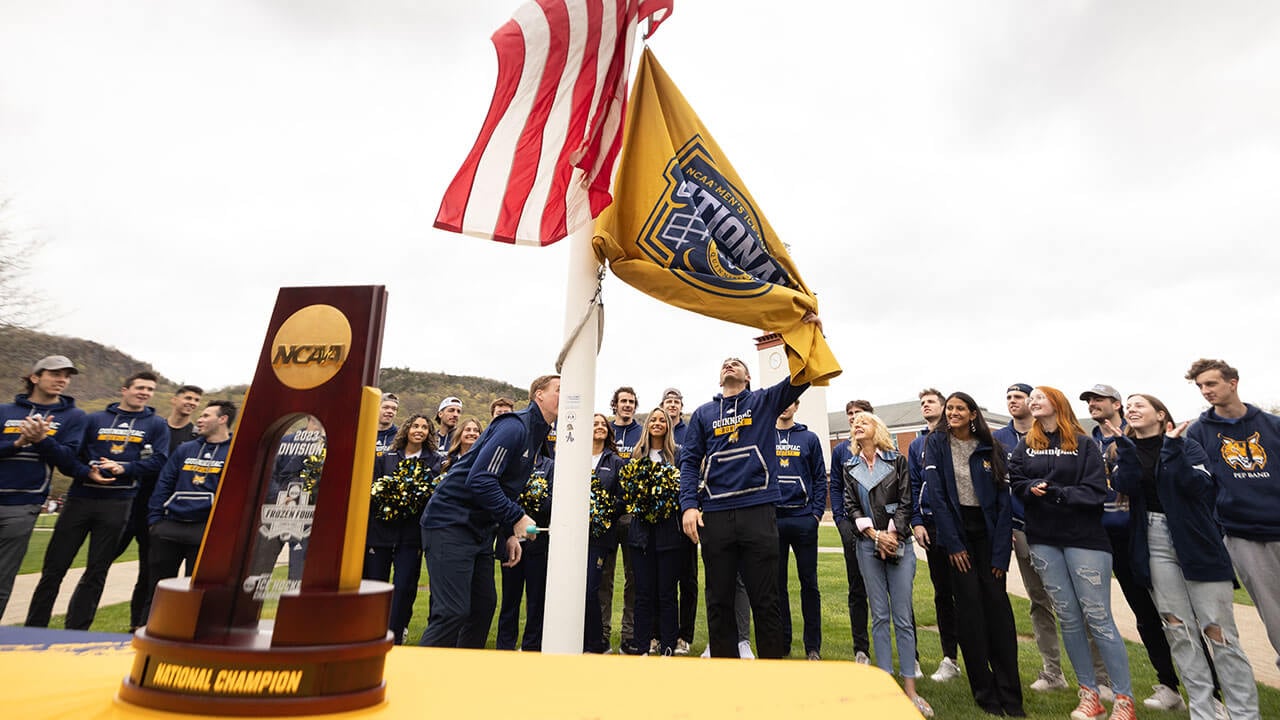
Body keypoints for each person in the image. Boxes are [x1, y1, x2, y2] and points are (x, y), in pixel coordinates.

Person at [1108, 395, 1259, 720]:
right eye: (1129, 405)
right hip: (1152, 540)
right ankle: (1204, 712)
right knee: (1178, 631)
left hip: (1196, 542)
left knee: (1218, 632)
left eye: (1139, 404)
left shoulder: (1187, 446)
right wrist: (1125, 448)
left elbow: (1199, 488)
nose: (1131, 409)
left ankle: (1244, 713)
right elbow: (1125, 485)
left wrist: (1173, 450)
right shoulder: (1126, 449)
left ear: (1161, 414)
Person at [679, 339, 816, 660]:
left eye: (737, 362)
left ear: (748, 377)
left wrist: (806, 335)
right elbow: (689, 461)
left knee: (765, 598)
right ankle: (727, 677)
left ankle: (771, 676)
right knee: (719, 599)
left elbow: (804, 375)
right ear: (718, 378)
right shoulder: (703, 414)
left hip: (758, 510)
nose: (730, 363)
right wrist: (688, 504)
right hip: (715, 513)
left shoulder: (764, 401)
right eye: (725, 362)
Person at [1009, 386, 1135, 720]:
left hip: (1085, 539)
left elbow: (1097, 492)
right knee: (1068, 617)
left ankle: (1124, 700)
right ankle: (1089, 695)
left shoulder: (1084, 445)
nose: (1033, 401)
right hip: (1043, 539)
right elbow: (1016, 480)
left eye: (1040, 397)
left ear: (1057, 404)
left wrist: (1057, 494)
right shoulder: (1026, 445)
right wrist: (1028, 489)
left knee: (1098, 616)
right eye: (1031, 397)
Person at [418, 375, 556, 648]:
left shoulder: (539, 433)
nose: (569, 393)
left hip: (479, 530)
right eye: (560, 389)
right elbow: (481, 479)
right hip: (450, 523)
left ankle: (464, 677)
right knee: (451, 612)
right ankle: (418, 680)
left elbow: (507, 486)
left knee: (482, 607)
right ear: (539, 395)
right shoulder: (515, 427)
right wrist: (516, 517)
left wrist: (508, 533)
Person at [26, 371, 170, 629]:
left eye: (149, 389)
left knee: (96, 571)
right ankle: (35, 627)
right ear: (124, 389)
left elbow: (159, 460)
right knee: (54, 568)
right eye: (139, 387)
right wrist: (87, 471)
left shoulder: (156, 424)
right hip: (80, 498)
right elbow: (70, 457)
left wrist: (125, 468)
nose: (145, 393)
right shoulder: (94, 419)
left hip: (119, 503)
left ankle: (76, 630)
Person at [1083, 383, 1183, 711]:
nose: (1093, 405)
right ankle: (1168, 684)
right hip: (1108, 538)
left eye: (1099, 399)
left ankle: (1207, 691)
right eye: (1089, 401)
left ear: (1117, 404)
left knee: (1175, 613)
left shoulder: (1132, 436)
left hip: (1141, 532)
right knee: (1144, 615)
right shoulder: (1090, 440)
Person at [924, 392, 1023, 716]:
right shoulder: (936, 445)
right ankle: (985, 693)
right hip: (957, 535)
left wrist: (999, 556)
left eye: (959, 408)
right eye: (949, 408)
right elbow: (938, 499)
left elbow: (1004, 503)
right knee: (970, 615)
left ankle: (1011, 695)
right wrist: (953, 545)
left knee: (998, 614)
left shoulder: (992, 448)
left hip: (989, 535)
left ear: (971, 415)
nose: (952, 412)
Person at [1184, 358, 1280, 673]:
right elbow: (1200, 484)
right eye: (1200, 386)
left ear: (1232, 383)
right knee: (1274, 612)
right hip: (1243, 534)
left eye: (1211, 384)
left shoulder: (1271, 425)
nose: (1205, 391)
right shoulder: (1198, 432)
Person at [844, 411, 932, 716]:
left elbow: (907, 502)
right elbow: (850, 505)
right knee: (879, 617)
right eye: (853, 423)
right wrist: (874, 534)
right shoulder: (849, 466)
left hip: (900, 545)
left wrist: (891, 534)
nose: (856, 425)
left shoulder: (898, 461)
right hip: (868, 546)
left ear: (877, 429)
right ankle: (884, 689)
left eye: (863, 422)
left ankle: (910, 692)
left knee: (903, 618)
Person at [0, 356, 86, 618]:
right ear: (35, 377)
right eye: (55, 373)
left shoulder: (74, 417)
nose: (62, 380)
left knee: (2, 579)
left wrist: (41, 440)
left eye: (66, 376)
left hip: (22, 505)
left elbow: (69, 463)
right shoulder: (5, 412)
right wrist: (17, 443)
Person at [115, 383, 204, 631]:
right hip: (132, 503)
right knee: (100, 564)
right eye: (187, 397)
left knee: (148, 575)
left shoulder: (195, 438)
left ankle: (139, 625)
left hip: (160, 514)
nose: (192, 403)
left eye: (197, 400)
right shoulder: (155, 428)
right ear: (174, 400)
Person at [145, 400, 236, 618]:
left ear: (222, 419)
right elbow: (164, 483)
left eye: (206, 416)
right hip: (170, 527)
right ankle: (147, 631)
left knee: (198, 592)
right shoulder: (185, 449)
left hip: (205, 531)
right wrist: (155, 521)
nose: (200, 420)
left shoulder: (235, 452)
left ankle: (189, 639)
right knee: (156, 589)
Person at [365, 412, 441, 645]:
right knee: (375, 583)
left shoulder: (434, 462)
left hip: (411, 535)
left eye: (425, 427)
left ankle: (395, 635)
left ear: (429, 433)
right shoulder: (385, 459)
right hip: (381, 532)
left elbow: (433, 496)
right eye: (415, 426)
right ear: (407, 429)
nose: (419, 430)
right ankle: (370, 632)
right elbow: (372, 491)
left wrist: (411, 501)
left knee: (404, 586)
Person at [619, 408, 686, 656]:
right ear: (646, 426)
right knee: (643, 592)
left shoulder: (678, 455)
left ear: (668, 426)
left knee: (667, 592)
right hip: (641, 534)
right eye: (653, 420)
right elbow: (628, 492)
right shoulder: (636, 455)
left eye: (662, 420)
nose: (657, 423)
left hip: (669, 532)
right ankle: (643, 643)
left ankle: (668, 643)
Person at [907, 388, 961, 682]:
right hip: (930, 526)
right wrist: (917, 522)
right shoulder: (917, 445)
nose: (925, 405)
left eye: (930, 401)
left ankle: (981, 657)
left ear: (945, 406)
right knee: (942, 593)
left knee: (967, 593)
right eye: (922, 403)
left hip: (959, 525)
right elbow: (915, 485)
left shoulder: (955, 437)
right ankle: (949, 658)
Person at [772, 399, 826, 660]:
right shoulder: (765, 434)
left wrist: (815, 515)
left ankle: (812, 647)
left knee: (809, 585)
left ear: (796, 406)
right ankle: (782, 644)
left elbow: (819, 477)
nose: (784, 407)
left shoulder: (809, 438)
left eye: (789, 403)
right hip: (774, 520)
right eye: (781, 403)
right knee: (776, 585)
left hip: (804, 519)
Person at [829, 399, 873, 663]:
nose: (854, 417)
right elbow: (835, 486)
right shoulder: (841, 451)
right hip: (852, 529)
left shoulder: (886, 448)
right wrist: (840, 520)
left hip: (883, 528)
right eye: (850, 414)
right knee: (857, 590)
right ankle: (861, 650)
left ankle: (909, 655)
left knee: (893, 593)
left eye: (859, 413)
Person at [497, 455, 554, 652]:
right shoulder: (508, 463)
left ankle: (532, 646)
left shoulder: (549, 466)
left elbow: (554, 503)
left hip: (537, 543)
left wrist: (537, 497)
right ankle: (505, 647)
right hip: (510, 540)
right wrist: (509, 533)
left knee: (536, 599)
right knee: (509, 599)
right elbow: (499, 499)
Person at [599, 385, 640, 651]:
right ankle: (601, 633)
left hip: (632, 515)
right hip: (606, 516)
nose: (627, 405)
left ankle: (629, 635)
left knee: (634, 578)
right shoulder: (605, 430)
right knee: (604, 577)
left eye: (632, 402)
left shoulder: (641, 432)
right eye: (623, 401)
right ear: (615, 404)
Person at [584, 414, 627, 653]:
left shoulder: (615, 461)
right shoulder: (574, 457)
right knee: (573, 588)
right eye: (594, 424)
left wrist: (603, 512)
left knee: (591, 589)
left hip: (600, 535)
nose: (599, 427)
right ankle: (575, 639)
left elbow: (623, 498)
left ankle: (597, 643)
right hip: (572, 536)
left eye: (603, 425)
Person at [661, 386, 696, 655]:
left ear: (681, 407)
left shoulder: (690, 431)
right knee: (663, 580)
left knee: (688, 579)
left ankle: (685, 635)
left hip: (684, 514)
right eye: (668, 401)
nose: (672, 405)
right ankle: (662, 633)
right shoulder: (655, 430)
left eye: (676, 401)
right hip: (660, 519)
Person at [375, 392, 399, 459]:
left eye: (394, 409)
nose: (390, 411)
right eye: (386, 407)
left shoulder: (401, 436)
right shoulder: (364, 433)